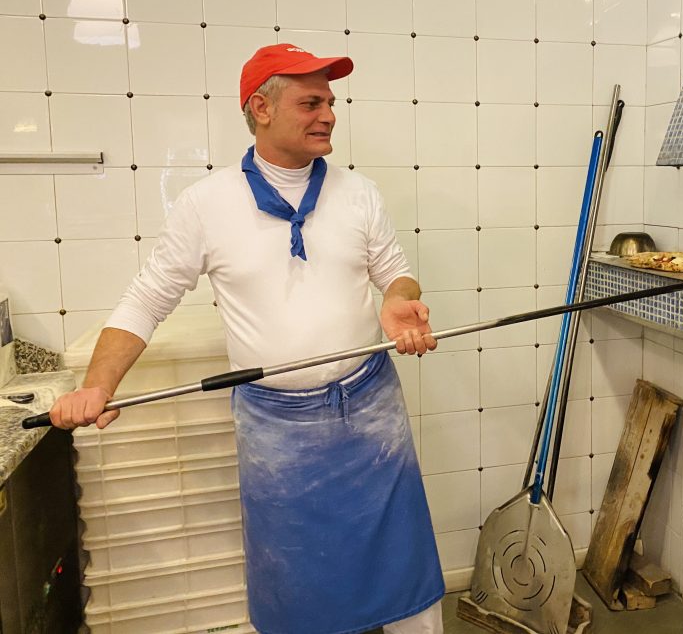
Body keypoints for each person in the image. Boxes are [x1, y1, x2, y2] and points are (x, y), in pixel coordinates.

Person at [47, 44, 446, 634]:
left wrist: (396, 301)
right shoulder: (207, 205)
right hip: (277, 433)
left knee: (405, 581)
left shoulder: (358, 194)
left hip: (370, 414)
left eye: (331, 101)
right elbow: (145, 301)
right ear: (260, 106)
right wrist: (96, 385)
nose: (329, 114)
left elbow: (395, 271)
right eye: (311, 101)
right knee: (298, 593)